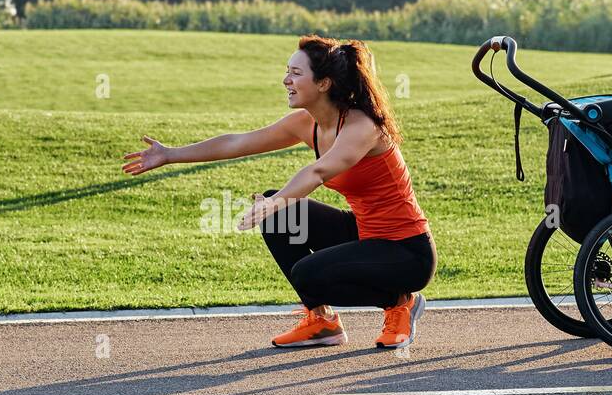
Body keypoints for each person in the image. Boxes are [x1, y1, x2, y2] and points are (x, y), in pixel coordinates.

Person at [122, 35, 436, 349]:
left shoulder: (362, 127)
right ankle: (322, 322)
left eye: (296, 74)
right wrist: (170, 154)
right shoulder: (307, 123)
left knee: (308, 273)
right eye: (288, 71)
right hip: (364, 233)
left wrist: (274, 202)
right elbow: (238, 142)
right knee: (281, 215)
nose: (286, 80)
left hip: (406, 252)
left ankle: (400, 303)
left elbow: (318, 171)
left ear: (324, 83)